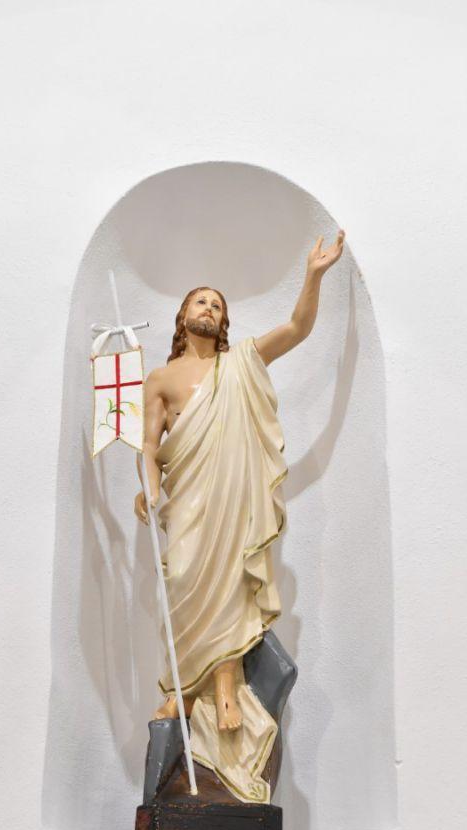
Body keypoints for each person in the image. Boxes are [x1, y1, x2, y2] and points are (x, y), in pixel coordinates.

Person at [134, 232, 345, 797]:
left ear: (223, 322)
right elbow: (149, 446)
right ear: (183, 315)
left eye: (217, 304)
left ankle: (223, 689)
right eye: (200, 300)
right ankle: (184, 690)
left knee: (230, 585)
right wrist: (148, 489)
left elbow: (296, 329)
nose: (209, 308)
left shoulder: (241, 363)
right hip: (188, 501)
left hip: (232, 499)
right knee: (184, 580)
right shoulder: (160, 380)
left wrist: (313, 275)